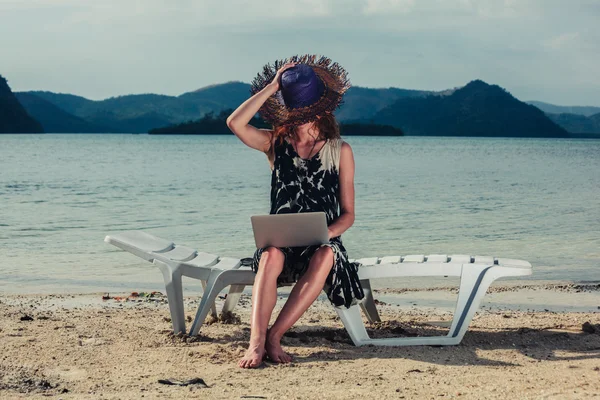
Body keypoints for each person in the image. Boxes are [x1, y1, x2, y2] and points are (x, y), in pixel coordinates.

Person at [226, 54, 365, 369]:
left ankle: (275, 335)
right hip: (281, 246)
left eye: (306, 111)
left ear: (320, 110)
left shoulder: (339, 151)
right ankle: (256, 344)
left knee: (328, 254)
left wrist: (324, 233)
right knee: (271, 254)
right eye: (295, 110)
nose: (300, 117)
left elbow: (348, 215)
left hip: (323, 244)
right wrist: (273, 87)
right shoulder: (276, 143)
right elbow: (235, 123)